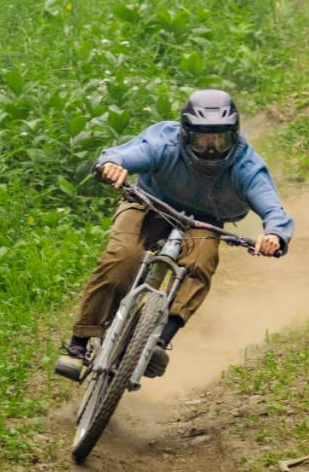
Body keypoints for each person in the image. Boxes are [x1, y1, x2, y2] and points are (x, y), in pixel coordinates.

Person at [60, 88, 292, 377]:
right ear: (184, 134)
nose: (211, 148)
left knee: (200, 263)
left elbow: (273, 210)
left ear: (234, 136)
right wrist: (113, 165)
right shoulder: (164, 142)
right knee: (122, 257)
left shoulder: (246, 166)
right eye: (201, 139)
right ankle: (78, 344)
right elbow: (130, 153)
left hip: (204, 220)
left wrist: (275, 235)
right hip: (149, 203)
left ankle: (158, 341)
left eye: (220, 139)